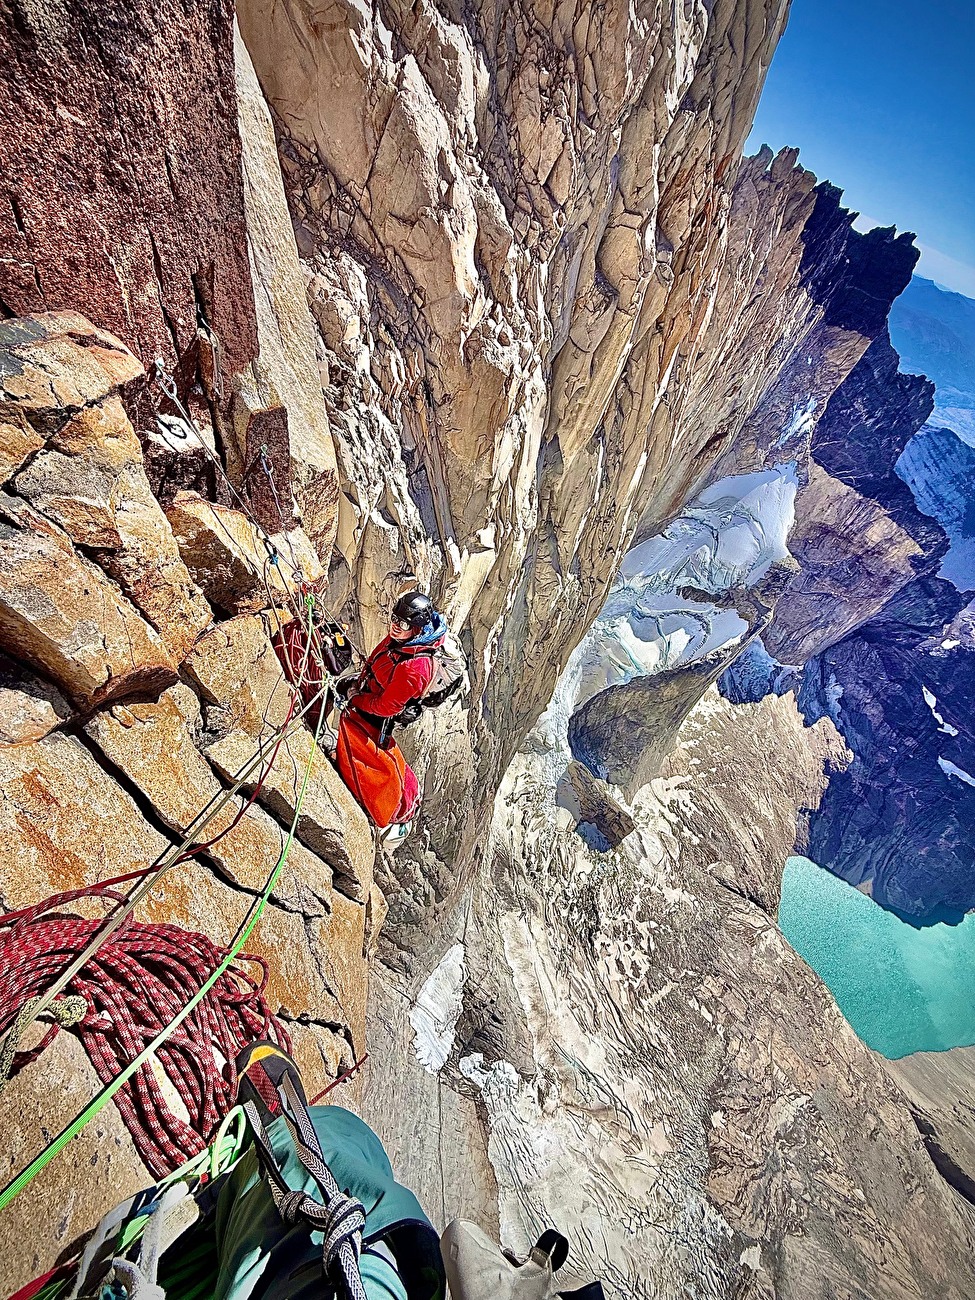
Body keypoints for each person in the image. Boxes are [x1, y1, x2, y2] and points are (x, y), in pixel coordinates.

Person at [335, 592, 447, 830]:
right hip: (369, 692)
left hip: (376, 714)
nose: (395, 626)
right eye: (394, 619)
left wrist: (356, 698)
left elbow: (386, 707)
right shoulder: (402, 642)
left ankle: (386, 803)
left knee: (365, 756)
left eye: (403, 623)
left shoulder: (414, 668)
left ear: (417, 628)